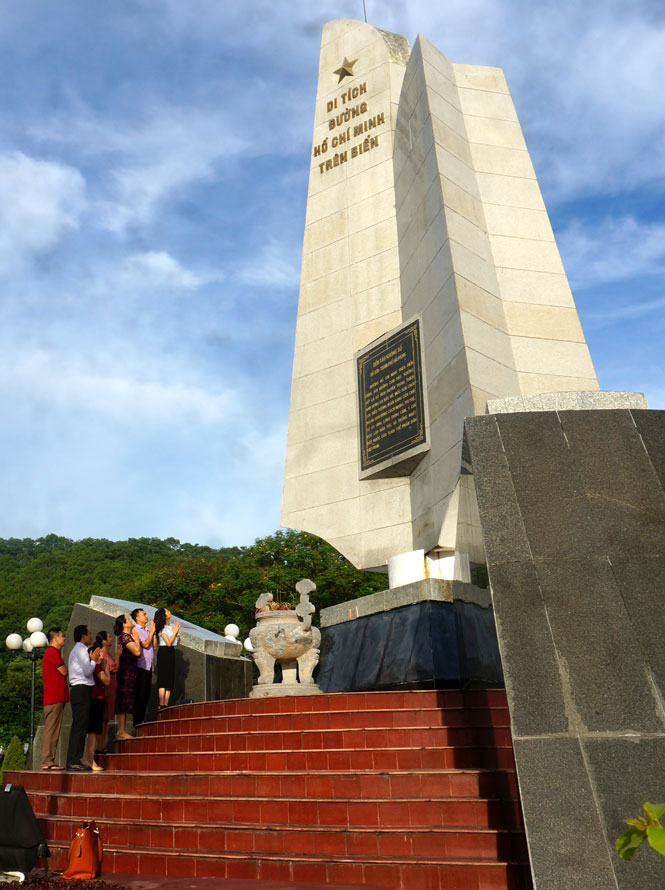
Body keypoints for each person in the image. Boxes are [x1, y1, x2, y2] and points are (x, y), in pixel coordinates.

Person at [66, 625, 94, 771]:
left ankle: (75, 759)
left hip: (79, 690)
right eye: (89, 634)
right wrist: (94, 660)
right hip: (82, 689)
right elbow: (88, 671)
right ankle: (73, 760)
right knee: (79, 726)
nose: (91, 636)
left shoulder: (76, 650)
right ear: (83, 636)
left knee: (80, 726)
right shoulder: (82, 650)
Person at [41, 628, 68, 771]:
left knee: (54, 729)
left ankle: (49, 759)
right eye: (61, 636)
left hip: (57, 697)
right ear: (55, 637)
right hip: (54, 697)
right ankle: (47, 760)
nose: (64, 639)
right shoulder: (52, 653)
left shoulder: (53, 653)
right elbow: (64, 671)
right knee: (51, 730)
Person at [113, 614, 140, 740]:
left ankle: (122, 730)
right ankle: (121, 731)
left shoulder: (126, 637)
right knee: (123, 700)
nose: (131, 620)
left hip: (129, 673)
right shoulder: (125, 637)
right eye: (128, 619)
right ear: (124, 624)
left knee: (126, 700)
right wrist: (137, 639)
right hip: (125, 674)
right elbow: (137, 652)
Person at [84, 641, 109, 772]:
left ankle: (90, 759)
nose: (101, 654)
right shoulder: (96, 667)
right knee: (93, 731)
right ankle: (90, 759)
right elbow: (107, 681)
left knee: (94, 731)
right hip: (95, 699)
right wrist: (107, 670)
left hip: (96, 699)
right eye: (98, 652)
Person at [130, 608, 157, 726]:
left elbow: (154, 645)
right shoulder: (136, 630)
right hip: (141, 665)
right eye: (144, 614)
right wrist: (151, 633)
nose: (146, 616)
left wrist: (153, 632)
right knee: (139, 694)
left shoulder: (147, 630)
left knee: (146, 693)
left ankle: (142, 719)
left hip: (149, 665)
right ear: (137, 618)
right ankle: (137, 719)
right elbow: (145, 644)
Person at [154, 608, 180, 710]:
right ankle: (161, 703)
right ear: (164, 616)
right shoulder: (162, 628)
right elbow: (168, 643)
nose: (170, 612)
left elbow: (177, 641)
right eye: (167, 611)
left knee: (169, 679)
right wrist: (174, 632)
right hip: (164, 652)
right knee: (163, 678)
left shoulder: (170, 627)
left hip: (171, 652)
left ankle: (166, 703)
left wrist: (176, 633)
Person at [97, 630, 117, 753]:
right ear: (103, 641)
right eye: (108, 637)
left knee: (106, 719)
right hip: (106, 689)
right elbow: (114, 669)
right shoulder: (102, 654)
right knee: (103, 719)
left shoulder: (107, 654)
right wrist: (118, 656)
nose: (111, 639)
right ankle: (100, 746)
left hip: (111, 689)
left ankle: (102, 745)